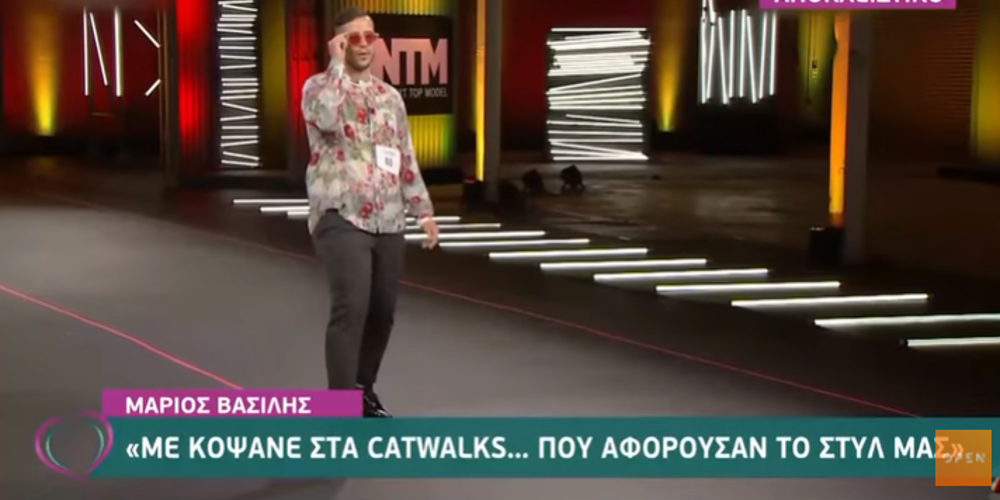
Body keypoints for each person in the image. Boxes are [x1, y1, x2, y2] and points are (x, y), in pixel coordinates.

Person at [300, 6, 439, 417]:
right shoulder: (318, 87)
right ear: (339, 43)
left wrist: (423, 210)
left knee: (382, 312)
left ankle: (362, 390)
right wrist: (336, 66)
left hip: (389, 218)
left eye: (370, 36)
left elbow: (404, 155)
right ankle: (339, 409)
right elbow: (326, 118)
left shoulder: (389, 97)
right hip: (341, 215)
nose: (363, 44)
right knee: (352, 308)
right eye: (353, 38)